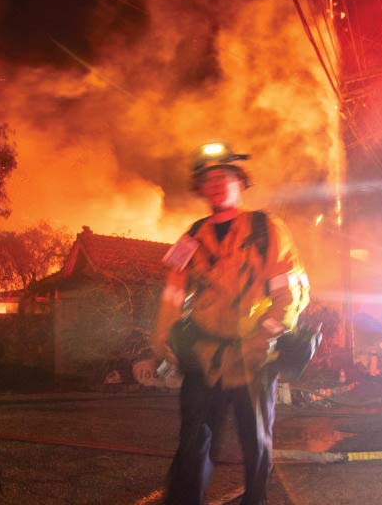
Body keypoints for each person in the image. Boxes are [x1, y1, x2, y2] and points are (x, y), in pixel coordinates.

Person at [152, 143, 310, 505]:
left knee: (255, 442)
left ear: (241, 183)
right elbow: (173, 294)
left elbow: (293, 293)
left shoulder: (267, 228)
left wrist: (266, 337)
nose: (217, 183)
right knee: (193, 441)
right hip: (205, 358)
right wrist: (160, 338)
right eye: (209, 178)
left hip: (255, 357)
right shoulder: (191, 236)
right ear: (200, 188)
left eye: (225, 176)